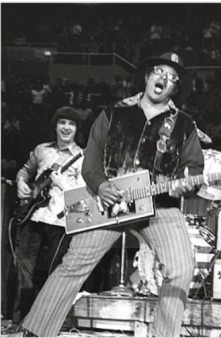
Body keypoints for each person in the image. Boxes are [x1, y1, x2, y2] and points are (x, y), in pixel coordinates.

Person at [16, 52, 204, 337]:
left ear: (175, 88)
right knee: (74, 265)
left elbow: (193, 168)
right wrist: (102, 186)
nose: (164, 79)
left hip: (160, 204)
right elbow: (91, 160)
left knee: (181, 269)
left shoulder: (185, 125)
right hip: (109, 202)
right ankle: (34, 331)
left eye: (172, 78)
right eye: (159, 71)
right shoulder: (113, 113)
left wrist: (186, 184)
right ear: (146, 76)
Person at [13, 106, 85, 329]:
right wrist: (21, 184)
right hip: (34, 217)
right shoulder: (42, 150)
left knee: (53, 273)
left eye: (71, 124)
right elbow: (25, 170)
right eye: (62, 122)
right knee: (24, 270)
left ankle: (45, 322)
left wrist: (63, 184)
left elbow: (82, 195)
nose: (66, 127)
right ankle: (20, 322)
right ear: (55, 126)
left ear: (76, 129)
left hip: (60, 221)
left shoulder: (82, 157)